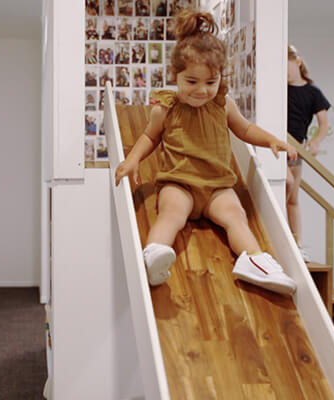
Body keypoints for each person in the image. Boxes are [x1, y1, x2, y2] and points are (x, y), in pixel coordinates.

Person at [115, 9, 298, 295]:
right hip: (180, 183)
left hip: (216, 186)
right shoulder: (166, 108)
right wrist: (132, 159)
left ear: (219, 78)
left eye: (210, 82)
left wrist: (273, 141)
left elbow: (246, 130)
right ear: (176, 75)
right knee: (171, 213)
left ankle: (254, 261)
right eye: (192, 82)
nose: (201, 90)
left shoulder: (223, 105)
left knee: (236, 216)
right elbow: (150, 137)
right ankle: (155, 253)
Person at [287, 45, 331, 262]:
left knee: (293, 199)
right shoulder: (279, 89)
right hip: (279, 146)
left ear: (298, 62)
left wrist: (315, 141)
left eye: (285, 65)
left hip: (297, 150)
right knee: (285, 184)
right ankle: (283, 237)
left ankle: (297, 244)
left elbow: (324, 124)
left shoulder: (313, 92)